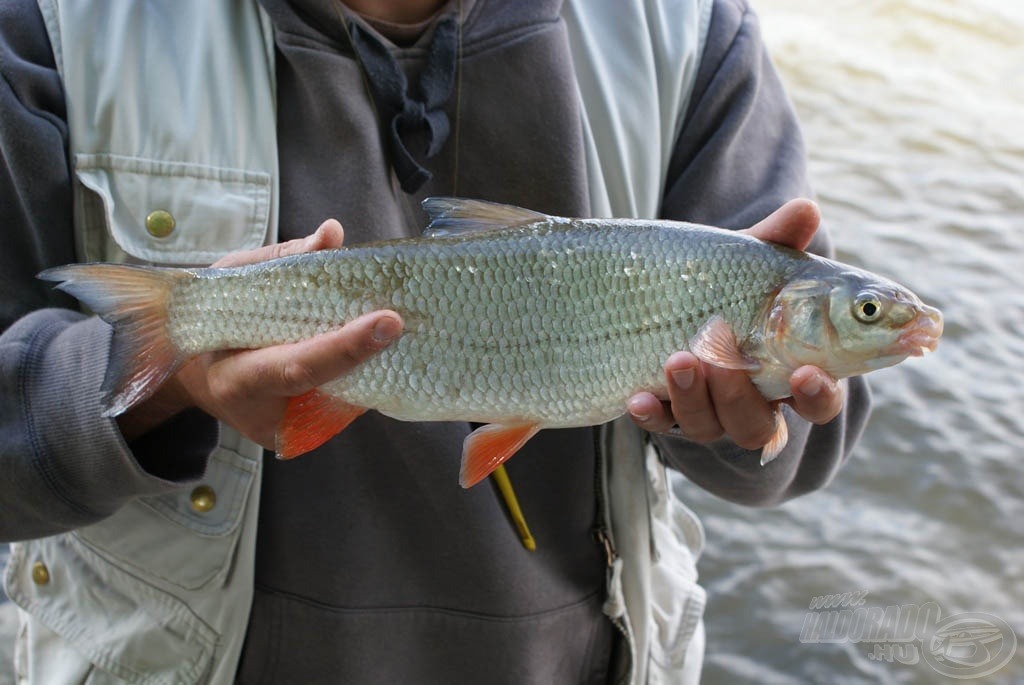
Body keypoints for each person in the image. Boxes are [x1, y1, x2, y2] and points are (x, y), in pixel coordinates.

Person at [0, 0, 868, 682]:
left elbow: (809, 438)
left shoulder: (692, 30)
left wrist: (755, 420)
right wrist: (162, 379)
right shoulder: (50, 23)